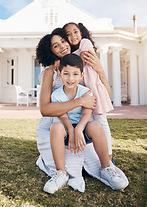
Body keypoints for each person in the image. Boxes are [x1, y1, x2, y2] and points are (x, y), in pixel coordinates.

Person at [36, 28, 129, 193]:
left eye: (63, 41)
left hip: (83, 120)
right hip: (59, 122)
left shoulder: (80, 63)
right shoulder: (51, 71)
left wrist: (100, 70)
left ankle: (106, 166)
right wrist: (79, 102)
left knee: (97, 126)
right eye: (55, 46)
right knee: (59, 131)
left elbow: (103, 96)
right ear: (50, 51)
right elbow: (45, 109)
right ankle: (60, 172)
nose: (62, 46)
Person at [63, 22, 113, 160]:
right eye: (68, 34)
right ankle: (94, 156)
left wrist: (69, 62)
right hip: (84, 92)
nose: (73, 36)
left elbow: (82, 62)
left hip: (94, 89)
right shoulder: (71, 53)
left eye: (75, 32)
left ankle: (108, 155)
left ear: (81, 33)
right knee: (90, 123)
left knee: (101, 122)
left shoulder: (85, 43)